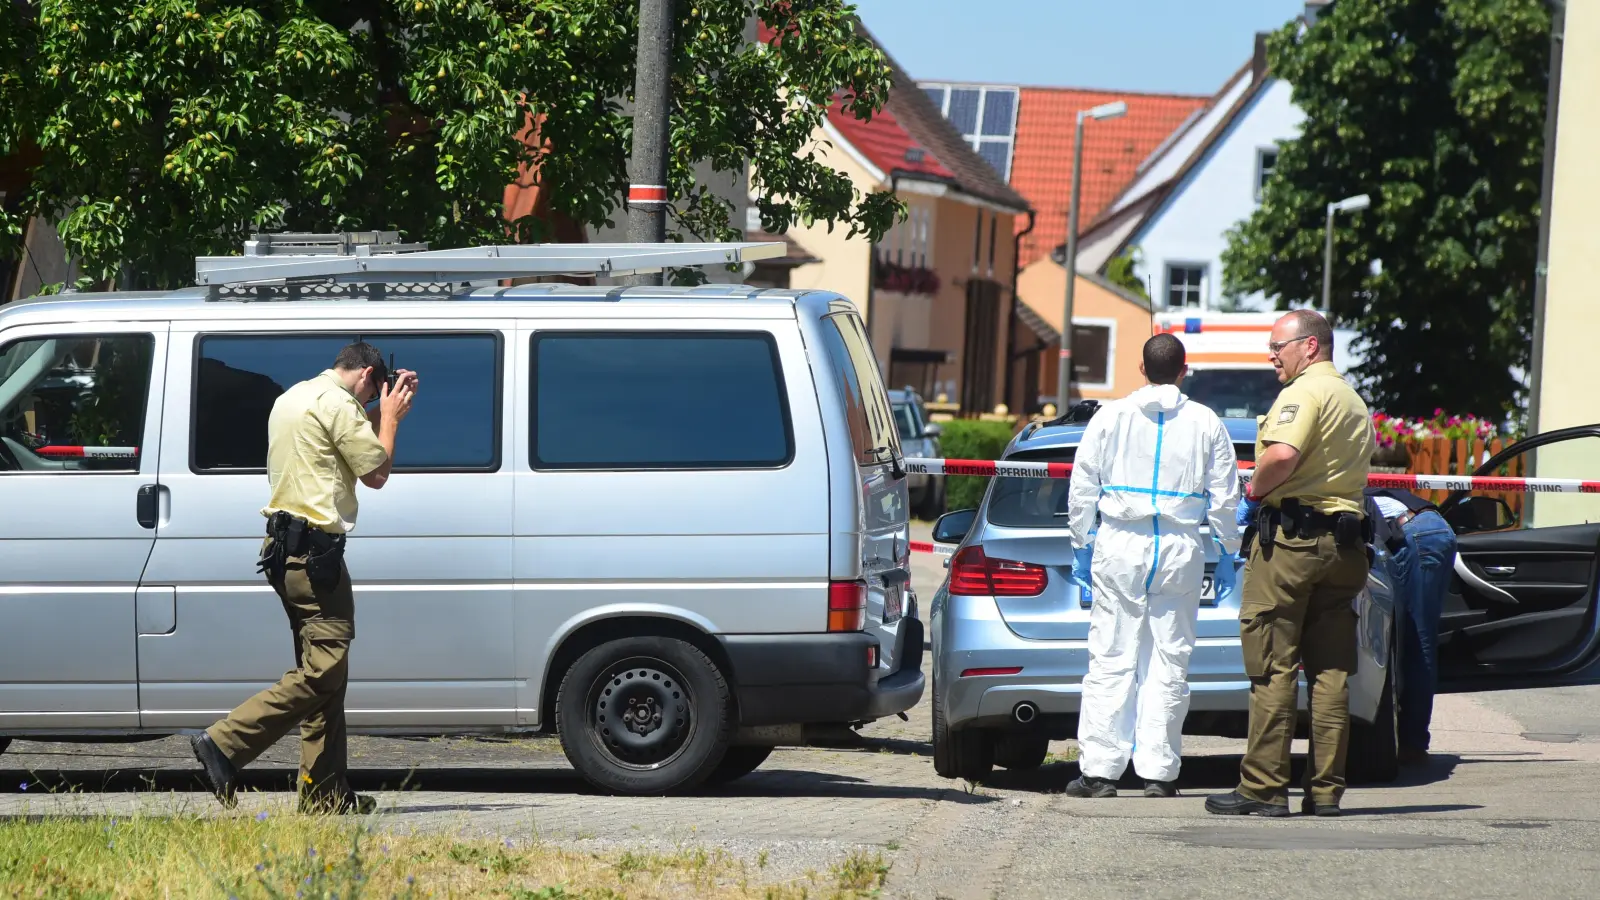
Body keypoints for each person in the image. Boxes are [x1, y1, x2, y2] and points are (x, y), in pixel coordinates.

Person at [191, 342, 418, 814]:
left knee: (325, 673)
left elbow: (343, 442)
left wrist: (380, 409)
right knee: (324, 670)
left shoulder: (295, 396)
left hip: (284, 554)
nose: (369, 400)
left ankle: (324, 793)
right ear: (367, 375)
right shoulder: (339, 404)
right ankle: (224, 743)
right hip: (315, 558)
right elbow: (376, 472)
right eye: (373, 390)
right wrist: (392, 419)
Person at [1206, 309, 1374, 819]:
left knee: (1272, 666)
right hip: (1344, 548)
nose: (1271, 356)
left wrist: (1253, 492)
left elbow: (1281, 454)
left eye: (1278, 347)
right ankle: (1325, 792)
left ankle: (1263, 789)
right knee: (1330, 673)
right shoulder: (1352, 400)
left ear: (1310, 346)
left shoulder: (1304, 392)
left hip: (1293, 547)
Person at [1063, 333, 1242, 799]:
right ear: (1184, 371)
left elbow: (1082, 486)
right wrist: (1228, 548)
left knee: (1111, 656)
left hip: (1120, 543)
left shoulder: (1110, 416)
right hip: (1181, 547)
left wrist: (1082, 543)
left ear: (1141, 369)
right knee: (1169, 658)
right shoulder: (1206, 422)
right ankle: (1159, 773)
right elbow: (1225, 494)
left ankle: (1100, 772)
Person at [1365, 485, 1458, 766]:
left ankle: (1412, 742)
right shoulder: (1354, 483)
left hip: (1416, 535)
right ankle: (1411, 740)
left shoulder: (1335, 491)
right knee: (1420, 635)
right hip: (1431, 529)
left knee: (1416, 639)